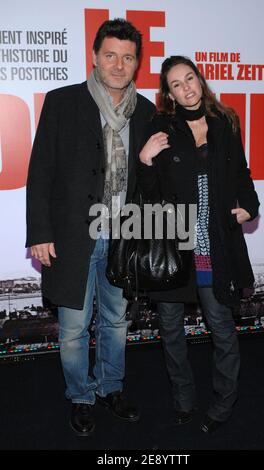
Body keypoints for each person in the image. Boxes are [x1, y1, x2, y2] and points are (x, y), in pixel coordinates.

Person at [26, 18, 155, 437]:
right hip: (71, 237)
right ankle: (80, 396)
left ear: (137, 62)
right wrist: (40, 233)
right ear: (95, 57)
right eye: (110, 55)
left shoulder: (148, 111)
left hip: (124, 234)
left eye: (128, 57)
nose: (119, 65)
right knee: (74, 328)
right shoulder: (63, 102)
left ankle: (110, 387)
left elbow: (151, 179)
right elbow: (41, 170)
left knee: (117, 321)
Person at [138, 55, 260, 432]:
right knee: (172, 330)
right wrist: (144, 160)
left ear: (199, 79)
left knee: (222, 328)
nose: (187, 87)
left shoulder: (225, 122)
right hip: (176, 250)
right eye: (177, 84)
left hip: (216, 247)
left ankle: (223, 404)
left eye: (190, 78)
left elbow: (241, 172)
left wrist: (250, 205)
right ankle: (184, 400)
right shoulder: (161, 128)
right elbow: (149, 195)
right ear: (169, 94)